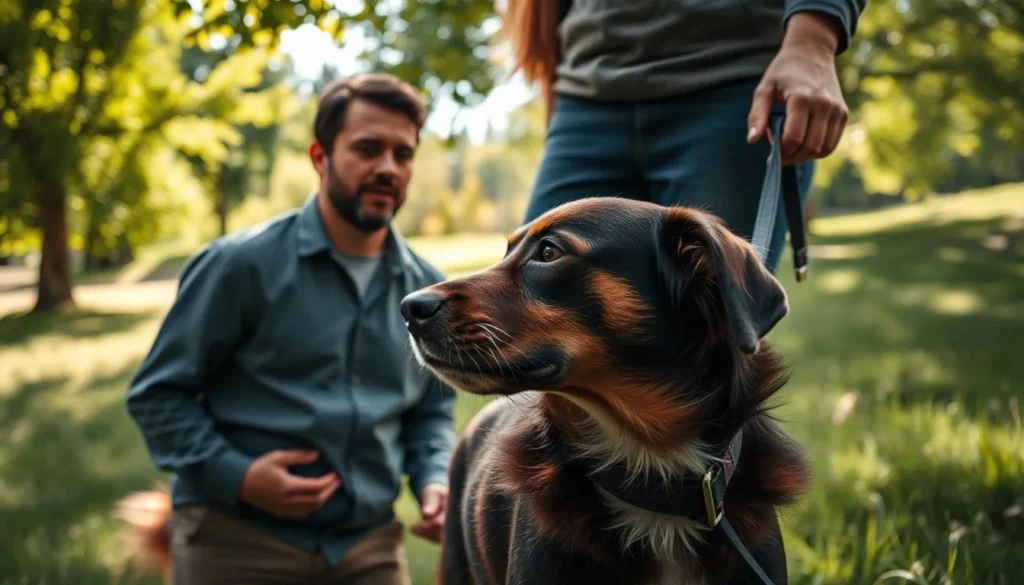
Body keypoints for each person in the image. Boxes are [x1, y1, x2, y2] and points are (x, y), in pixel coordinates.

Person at [125, 73, 456, 585]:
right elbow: (157, 396)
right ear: (319, 158)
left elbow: (430, 409)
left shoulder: (427, 291)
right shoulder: (239, 266)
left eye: (403, 154)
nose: (388, 168)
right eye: (368, 149)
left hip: (367, 544)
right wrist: (239, 476)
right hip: (237, 538)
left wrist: (434, 479)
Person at [503, 0, 867, 273]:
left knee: (711, 337)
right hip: (586, 99)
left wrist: (813, 40)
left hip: (734, 85)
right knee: (515, 340)